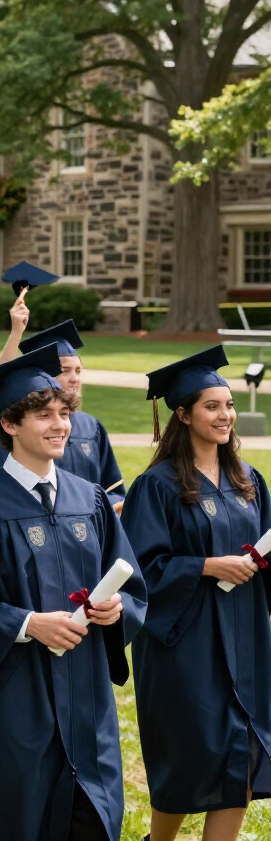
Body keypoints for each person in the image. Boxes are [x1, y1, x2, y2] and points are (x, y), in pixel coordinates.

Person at [0, 345, 146, 841]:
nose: (60, 425)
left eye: (63, 413)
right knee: (18, 819)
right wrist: (27, 624)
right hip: (13, 701)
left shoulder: (87, 498)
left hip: (85, 696)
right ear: (9, 424)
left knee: (91, 820)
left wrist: (117, 610)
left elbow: (132, 583)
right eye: (43, 415)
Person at [120, 346, 271, 841]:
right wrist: (205, 566)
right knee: (193, 754)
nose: (225, 415)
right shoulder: (157, 486)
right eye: (212, 405)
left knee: (243, 751)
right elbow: (141, 570)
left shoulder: (249, 480)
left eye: (228, 405)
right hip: (185, 639)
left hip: (245, 634)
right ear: (182, 414)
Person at [0, 303, 125, 506]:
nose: (75, 379)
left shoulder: (92, 427)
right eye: (65, 370)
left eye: (78, 371)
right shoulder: (18, 428)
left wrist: (111, 508)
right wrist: (16, 332)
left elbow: (113, 488)